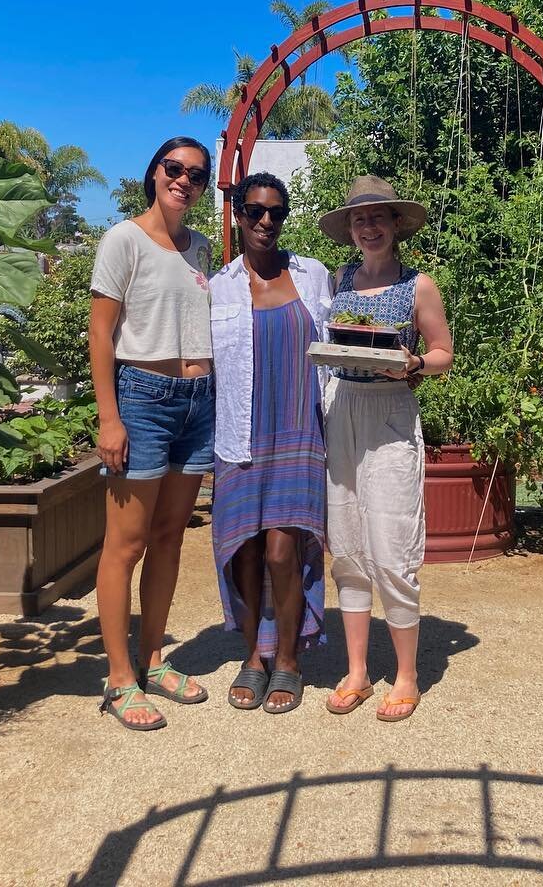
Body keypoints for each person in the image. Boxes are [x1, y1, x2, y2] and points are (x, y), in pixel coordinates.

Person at [89, 137, 215, 731]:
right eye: (174, 168)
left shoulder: (202, 250)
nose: (184, 180)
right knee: (127, 542)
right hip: (142, 397)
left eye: (196, 174)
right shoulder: (123, 239)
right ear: (154, 172)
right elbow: (101, 335)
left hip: (199, 402)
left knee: (170, 537)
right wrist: (109, 417)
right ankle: (118, 678)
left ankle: (154, 659)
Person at [319, 175, 453, 722]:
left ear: (396, 224)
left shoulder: (419, 284)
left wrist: (417, 363)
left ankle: (406, 674)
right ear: (350, 229)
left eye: (377, 218)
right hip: (343, 404)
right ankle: (356, 671)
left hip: (392, 408)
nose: (368, 227)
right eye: (359, 219)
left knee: (393, 545)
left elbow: (443, 350)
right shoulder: (339, 280)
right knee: (347, 544)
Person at [209, 172, 331, 714]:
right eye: (254, 211)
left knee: (284, 550)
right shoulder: (219, 287)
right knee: (246, 549)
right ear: (237, 214)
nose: (265, 221)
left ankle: (287, 659)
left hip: (300, 429)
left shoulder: (313, 276)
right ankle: (251, 658)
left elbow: (339, 344)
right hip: (239, 432)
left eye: (275, 213)